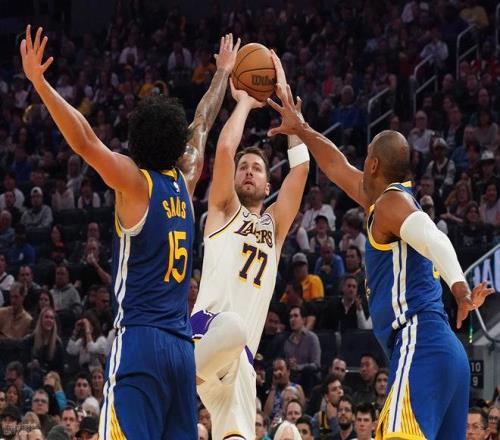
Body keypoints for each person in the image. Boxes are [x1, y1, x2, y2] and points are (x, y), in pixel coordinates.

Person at [20, 27, 236, 439]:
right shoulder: (187, 179)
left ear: (138, 140)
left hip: (140, 343)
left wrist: (40, 84)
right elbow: (203, 122)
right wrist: (222, 74)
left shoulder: (136, 184)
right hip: (180, 351)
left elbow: (85, 141)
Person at [267, 92, 493, 438]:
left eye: (367, 155)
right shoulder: (382, 202)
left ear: (373, 165)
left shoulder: (391, 204)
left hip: (421, 342)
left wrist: (460, 289)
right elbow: (336, 166)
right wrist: (302, 128)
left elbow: (434, 238)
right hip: (446, 352)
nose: (360, 164)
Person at [191, 51, 309, 439]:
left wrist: (287, 103)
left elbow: (301, 170)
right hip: (208, 334)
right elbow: (225, 151)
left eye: (256, 168)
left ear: (267, 184)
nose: (248, 171)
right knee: (235, 326)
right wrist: (243, 102)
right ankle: (173, 380)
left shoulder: (274, 226)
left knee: (254, 434)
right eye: (244, 167)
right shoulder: (223, 210)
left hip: (239, 362)